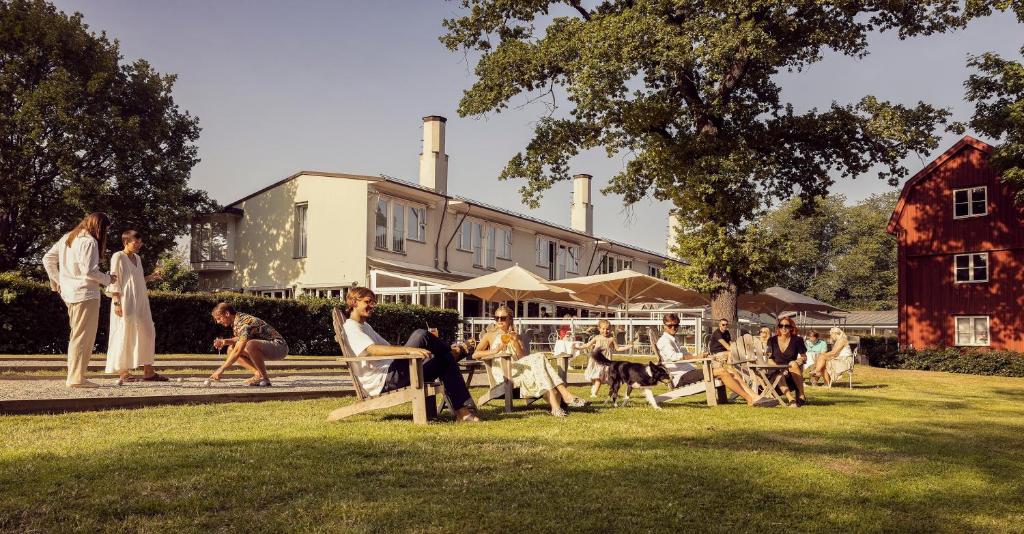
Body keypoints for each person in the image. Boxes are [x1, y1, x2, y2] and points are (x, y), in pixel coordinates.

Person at [343, 287, 480, 422]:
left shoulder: (365, 326)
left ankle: (462, 412)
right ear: (354, 302)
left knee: (444, 359)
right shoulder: (351, 327)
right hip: (384, 380)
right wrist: (408, 350)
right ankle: (455, 351)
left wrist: (412, 350)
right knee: (420, 335)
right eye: (368, 302)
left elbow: (388, 348)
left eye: (373, 302)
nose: (372, 305)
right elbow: (373, 350)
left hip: (392, 372)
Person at [42, 212, 117, 388]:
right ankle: (76, 378)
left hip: (70, 294)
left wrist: (59, 281)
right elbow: (89, 272)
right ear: (100, 227)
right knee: (84, 337)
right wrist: (108, 279)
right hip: (86, 294)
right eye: (105, 229)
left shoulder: (68, 237)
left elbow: (47, 259)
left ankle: (75, 376)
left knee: (77, 335)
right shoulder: (89, 242)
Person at [475, 305, 587, 417]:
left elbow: (522, 358)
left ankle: (556, 408)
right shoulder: (489, 336)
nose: (499, 320)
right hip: (504, 373)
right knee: (539, 357)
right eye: (497, 318)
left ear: (509, 319)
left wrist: (515, 343)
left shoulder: (516, 336)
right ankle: (565, 395)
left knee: (540, 367)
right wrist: (494, 350)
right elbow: (476, 354)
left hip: (520, 369)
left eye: (503, 318)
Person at [659, 314, 764, 406]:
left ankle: (754, 396)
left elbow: (685, 355)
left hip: (689, 372)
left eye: (676, 325)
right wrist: (697, 357)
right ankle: (749, 399)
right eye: (670, 326)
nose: (673, 328)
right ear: (664, 326)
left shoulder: (673, 340)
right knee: (722, 371)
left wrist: (705, 356)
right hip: (681, 377)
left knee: (732, 371)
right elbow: (674, 357)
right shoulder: (664, 341)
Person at [105, 230, 165, 385]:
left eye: (140, 242)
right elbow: (115, 280)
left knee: (148, 331)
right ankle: (123, 372)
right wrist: (117, 302)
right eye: (135, 242)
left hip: (141, 301)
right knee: (125, 332)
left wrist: (151, 277)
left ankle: (148, 371)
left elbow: (136, 280)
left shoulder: (137, 258)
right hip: (124, 301)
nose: (139, 245)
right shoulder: (118, 256)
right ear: (126, 242)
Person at [209, 303, 288, 387]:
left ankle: (265, 379)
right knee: (230, 349)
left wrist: (221, 369)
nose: (218, 322)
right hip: (267, 347)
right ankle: (258, 375)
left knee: (250, 345)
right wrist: (224, 341)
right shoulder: (238, 321)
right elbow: (240, 339)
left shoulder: (244, 323)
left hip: (280, 347)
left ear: (227, 314)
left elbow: (238, 350)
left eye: (219, 318)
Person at [765, 317, 808, 407]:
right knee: (779, 373)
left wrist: (800, 360)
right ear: (778, 327)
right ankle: (791, 399)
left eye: (787, 326)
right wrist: (780, 368)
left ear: (792, 327)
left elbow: (804, 357)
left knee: (792, 364)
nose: (784, 328)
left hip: (791, 370)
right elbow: (769, 360)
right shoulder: (772, 340)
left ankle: (801, 394)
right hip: (775, 369)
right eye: (781, 326)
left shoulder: (797, 340)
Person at [582, 319, 621, 398]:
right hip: (596, 360)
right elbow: (587, 345)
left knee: (599, 378)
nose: (605, 331)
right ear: (599, 329)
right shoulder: (597, 337)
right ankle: (599, 387)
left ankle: (594, 393)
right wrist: (577, 347)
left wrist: (629, 346)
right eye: (603, 329)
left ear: (610, 329)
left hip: (605, 361)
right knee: (595, 377)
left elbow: (618, 349)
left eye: (607, 329)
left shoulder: (611, 339)